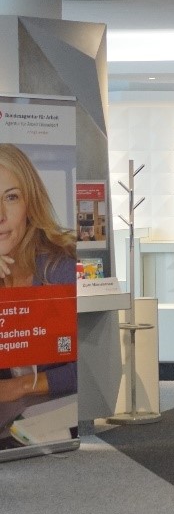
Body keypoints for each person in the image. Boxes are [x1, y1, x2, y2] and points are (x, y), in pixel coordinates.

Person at [0, 144, 78, 441]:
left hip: (54, 422)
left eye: (11, 197)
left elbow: (90, 366)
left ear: (30, 203)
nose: (0, 215)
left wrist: (21, 386)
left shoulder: (59, 270)